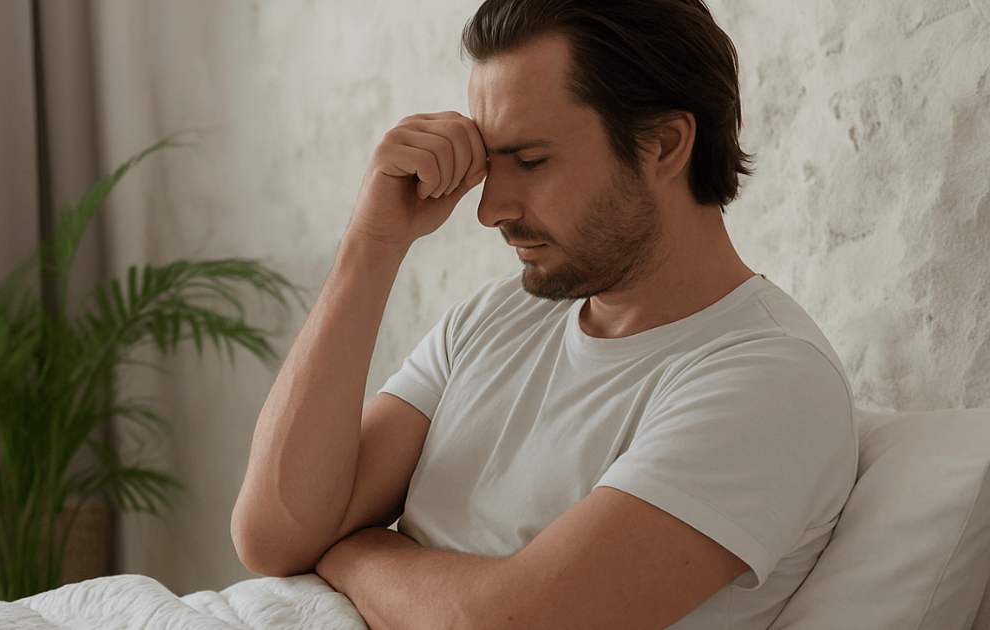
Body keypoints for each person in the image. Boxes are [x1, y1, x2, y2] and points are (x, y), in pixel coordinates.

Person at [232, 0, 856, 628]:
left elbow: (506, 623)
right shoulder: (497, 316)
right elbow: (273, 537)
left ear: (664, 145)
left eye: (530, 161)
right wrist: (372, 246)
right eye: (490, 163)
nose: (490, 209)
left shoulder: (768, 377)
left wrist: (350, 548)